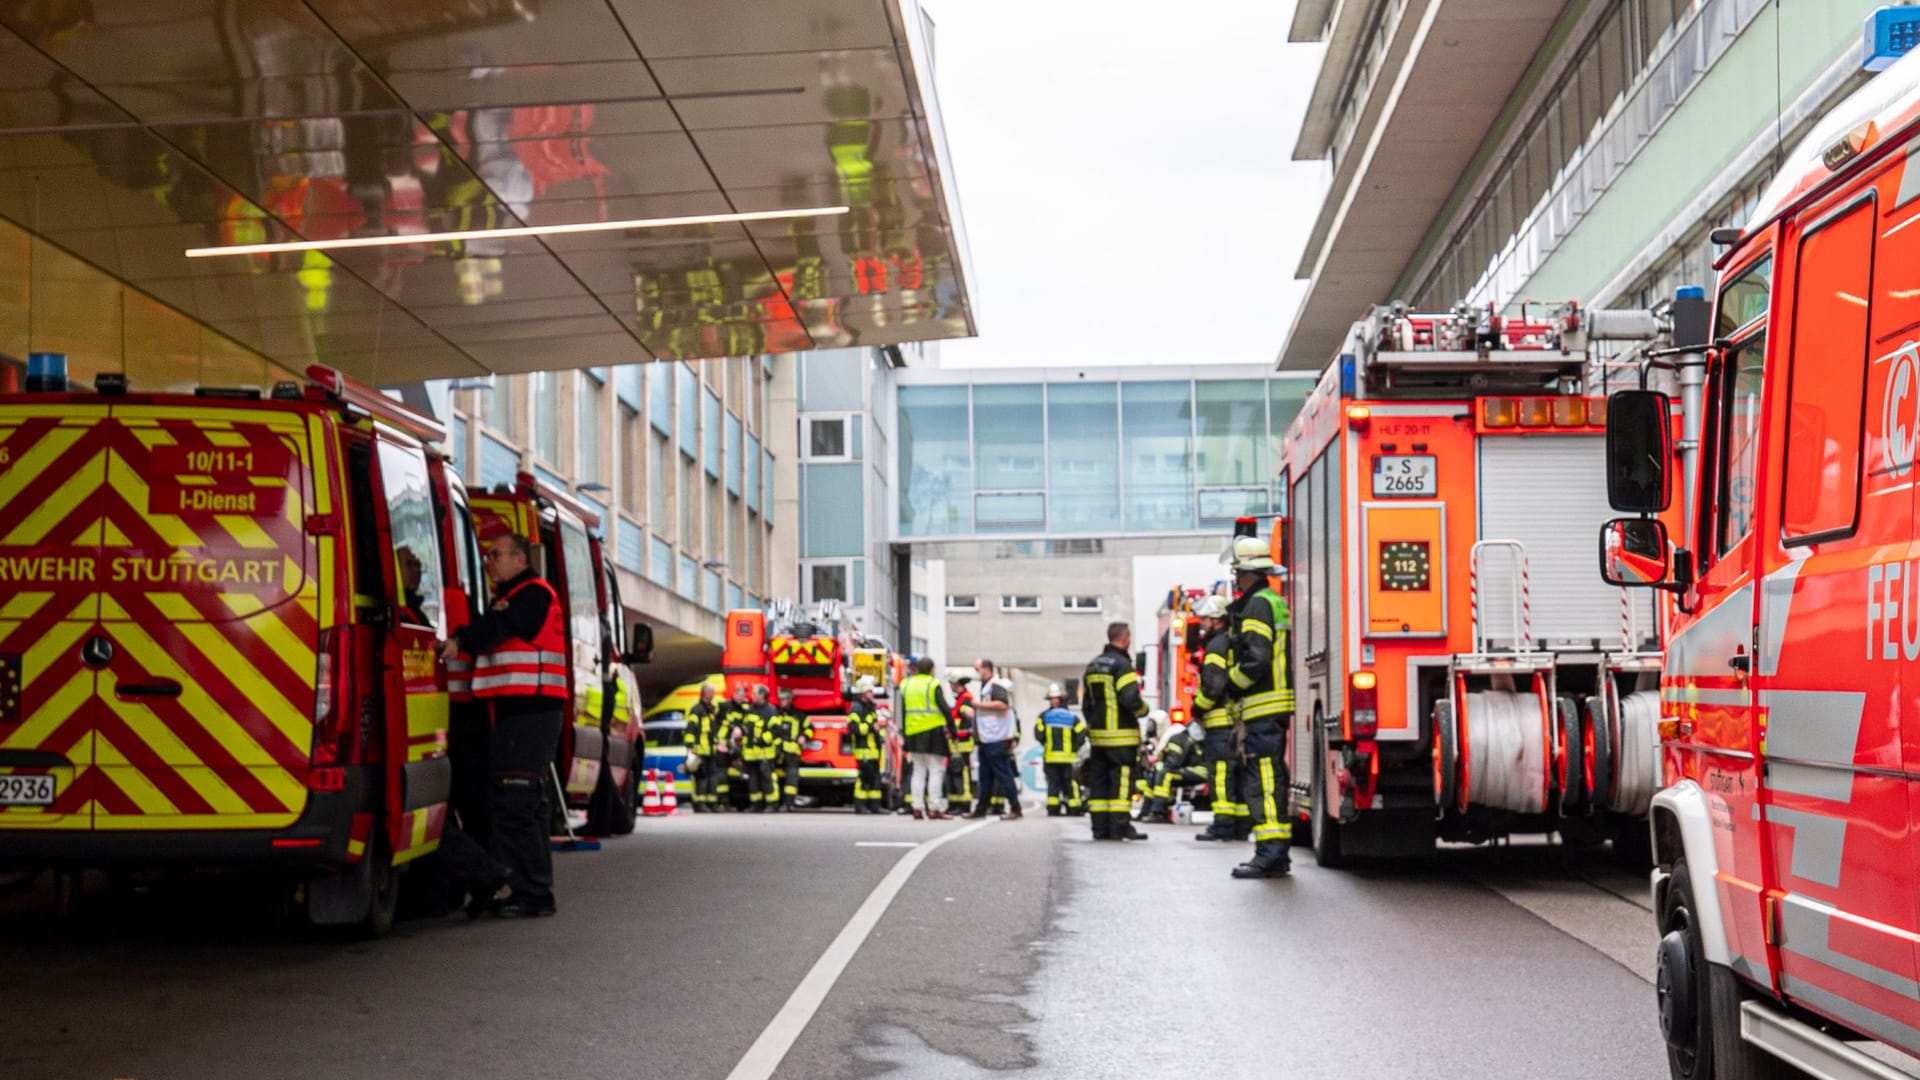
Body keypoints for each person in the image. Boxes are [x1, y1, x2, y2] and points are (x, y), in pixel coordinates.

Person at [438, 531, 565, 917]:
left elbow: (501, 629)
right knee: (525, 804)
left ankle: (532, 894)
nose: (488, 561)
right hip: (520, 712)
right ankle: (534, 891)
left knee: (516, 803)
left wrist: (459, 642)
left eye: (495, 555)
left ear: (520, 560)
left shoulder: (534, 593)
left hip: (530, 712)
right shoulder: (513, 596)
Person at [1224, 537, 1295, 879]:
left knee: (1264, 780)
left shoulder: (1256, 606)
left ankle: (1269, 854)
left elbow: (1256, 660)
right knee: (1271, 778)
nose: (1236, 578)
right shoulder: (1273, 600)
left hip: (1262, 708)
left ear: (1244, 573)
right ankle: (1275, 854)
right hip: (1272, 707)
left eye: (1237, 572)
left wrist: (1230, 684)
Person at [1082, 622, 1151, 841]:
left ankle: (1100, 827)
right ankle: (1120, 826)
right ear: (1125, 638)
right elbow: (1130, 698)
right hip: (1121, 736)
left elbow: (1087, 704)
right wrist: (1143, 710)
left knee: (1099, 782)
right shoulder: (1122, 665)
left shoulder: (1093, 665)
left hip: (1098, 738)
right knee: (1121, 781)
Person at [1191, 594, 1248, 843]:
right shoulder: (1232, 642)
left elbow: (1213, 686)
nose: (1201, 623)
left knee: (1222, 774)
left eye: (1205, 618)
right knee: (1237, 775)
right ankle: (1240, 825)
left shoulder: (1216, 646)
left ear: (1216, 620)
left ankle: (1224, 825)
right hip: (1235, 721)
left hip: (1220, 724)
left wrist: (1197, 708)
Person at [898, 657, 953, 820]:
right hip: (933, 732)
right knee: (936, 770)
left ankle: (917, 807)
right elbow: (945, 709)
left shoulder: (906, 684)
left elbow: (902, 711)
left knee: (918, 770)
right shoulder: (933, 684)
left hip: (912, 733)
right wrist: (953, 731)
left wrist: (904, 734)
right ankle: (934, 807)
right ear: (931, 669)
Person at [968, 667, 1023, 821]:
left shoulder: (996, 685)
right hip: (987, 738)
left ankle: (1015, 808)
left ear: (986, 670)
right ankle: (981, 809)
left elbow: (1002, 704)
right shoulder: (987, 686)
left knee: (1004, 775)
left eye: (977, 669)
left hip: (997, 739)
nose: (976, 672)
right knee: (985, 777)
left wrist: (978, 705)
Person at [1141, 720, 1208, 823]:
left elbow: (1173, 763)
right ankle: (1146, 811)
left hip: (1201, 770)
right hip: (1196, 768)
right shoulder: (1185, 737)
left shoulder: (1178, 739)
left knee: (1165, 774)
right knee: (1158, 770)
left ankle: (1159, 813)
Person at [1038, 684, 1086, 816]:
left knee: (1053, 783)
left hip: (1051, 757)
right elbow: (1081, 734)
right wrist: (1074, 747)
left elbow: (1038, 734)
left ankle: (1053, 808)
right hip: (1068, 758)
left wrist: (1047, 744)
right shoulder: (1072, 717)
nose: (1053, 701)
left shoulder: (1044, 717)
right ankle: (1073, 808)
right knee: (1068, 783)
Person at [735, 684, 778, 812]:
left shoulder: (770, 710)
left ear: (762, 695)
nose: (752, 696)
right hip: (750, 753)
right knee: (753, 780)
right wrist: (739, 731)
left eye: (755, 693)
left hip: (765, 753)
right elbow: (745, 725)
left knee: (767, 780)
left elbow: (775, 731)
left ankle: (772, 804)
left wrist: (761, 740)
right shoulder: (750, 709)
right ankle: (756, 804)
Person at [847, 676, 885, 814]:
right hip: (863, 751)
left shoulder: (870, 707)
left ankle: (875, 806)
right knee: (863, 780)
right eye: (870, 691)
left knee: (875, 780)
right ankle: (860, 805)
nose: (872, 694)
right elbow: (853, 728)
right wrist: (870, 727)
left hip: (873, 751)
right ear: (863, 692)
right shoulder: (856, 708)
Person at [683, 682, 721, 812]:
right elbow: (690, 730)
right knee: (701, 778)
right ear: (706, 693)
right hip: (699, 751)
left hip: (711, 751)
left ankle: (711, 803)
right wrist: (689, 749)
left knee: (712, 777)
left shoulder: (711, 710)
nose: (714, 694)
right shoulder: (697, 710)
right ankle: (699, 803)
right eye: (712, 692)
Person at [772, 687, 810, 811]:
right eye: (780, 699)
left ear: (789, 700)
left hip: (792, 751)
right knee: (774, 777)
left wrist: (804, 736)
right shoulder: (775, 713)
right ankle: (774, 803)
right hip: (777, 750)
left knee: (792, 778)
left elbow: (810, 728)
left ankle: (789, 803)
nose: (781, 702)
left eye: (783, 699)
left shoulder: (799, 715)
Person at [945, 671, 977, 812]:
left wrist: (958, 733)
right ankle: (953, 804)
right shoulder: (960, 699)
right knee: (953, 774)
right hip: (955, 743)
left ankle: (964, 805)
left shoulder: (966, 699)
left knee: (962, 775)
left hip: (962, 743)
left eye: (952, 684)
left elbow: (970, 717)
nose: (951, 687)